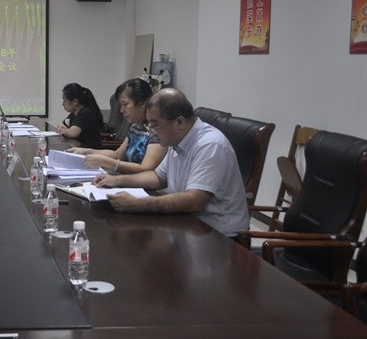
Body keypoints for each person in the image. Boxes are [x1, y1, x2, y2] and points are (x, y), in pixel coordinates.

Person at [92, 88, 249, 238]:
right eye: (149, 124)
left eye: (155, 124)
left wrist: (137, 204)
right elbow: (158, 177)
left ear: (179, 122)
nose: (151, 131)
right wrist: (116, 180)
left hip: (219, 235)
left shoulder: (210, 145)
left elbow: (194, 201)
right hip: (188, 223)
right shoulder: (177, 139)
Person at [68, 78, 167, 174]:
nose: (121, 110)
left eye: (125, 104)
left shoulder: (156, 131)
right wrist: (85, 151)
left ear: (142, 103)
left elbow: (146, 169)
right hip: (129, 179)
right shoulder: (135, 127)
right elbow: (118, 154)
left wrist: (108, 163)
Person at [56, 83, 104, 149]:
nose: (62, 104)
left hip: (91, 152)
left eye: (65, 101)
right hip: (82, 149)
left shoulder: (86, 114)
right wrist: (62, 127)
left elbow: (73, 133)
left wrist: (63, 131)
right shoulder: (74, 113)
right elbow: (61, 123)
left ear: (75, 101)